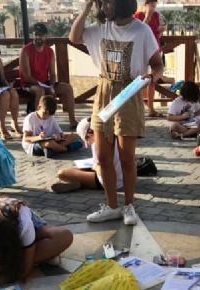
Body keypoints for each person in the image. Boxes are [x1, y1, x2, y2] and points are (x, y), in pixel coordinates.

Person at [70, 0, 163, 225]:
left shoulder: (142, 31)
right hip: (104, 92)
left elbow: (157, 65)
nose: (104, 6)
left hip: (128, 92)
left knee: (126, 158)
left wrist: (152, 77)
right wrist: (87, 7)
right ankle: (112, 206)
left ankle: (129, 206)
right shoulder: (101, 27)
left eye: (108, 2)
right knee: (103, 157)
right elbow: (74, 37)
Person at [19, 23, 78, 128]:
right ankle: (37, 124)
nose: (38, 37)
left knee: (67, 88)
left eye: (41, 35)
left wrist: (51, 86)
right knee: (40, 91)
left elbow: (53, 73)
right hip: (29, 84)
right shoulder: (25, 50)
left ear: (46, 36)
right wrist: (42, 85)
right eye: (36, 34)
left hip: (45, 83)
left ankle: (72, 121)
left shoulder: (50, 51)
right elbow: (27, 76)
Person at [52, 117, 124, 193]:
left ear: (89, 134)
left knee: (62, 173)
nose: (88, 143)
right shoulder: (115, 135)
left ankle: (81, 184)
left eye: (87, 139)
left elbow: (101, 171)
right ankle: (80, 182)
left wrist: (95, 167)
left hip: (111, 182)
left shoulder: (97, 143)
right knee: (77, 168)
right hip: (123, 178)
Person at [133, 0, 164, 117]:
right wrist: (147, 17)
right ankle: (140, 107)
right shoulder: (137, 16)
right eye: (151, 5)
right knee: (141, 79)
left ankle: (151, 108)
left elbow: (157, 33)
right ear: (145, 5)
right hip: (141, 51)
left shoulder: (156, 15)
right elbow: (138, 32)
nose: (153, 7)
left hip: (154, 49)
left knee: (152, 79)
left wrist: (161, 30)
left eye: (155, 5)